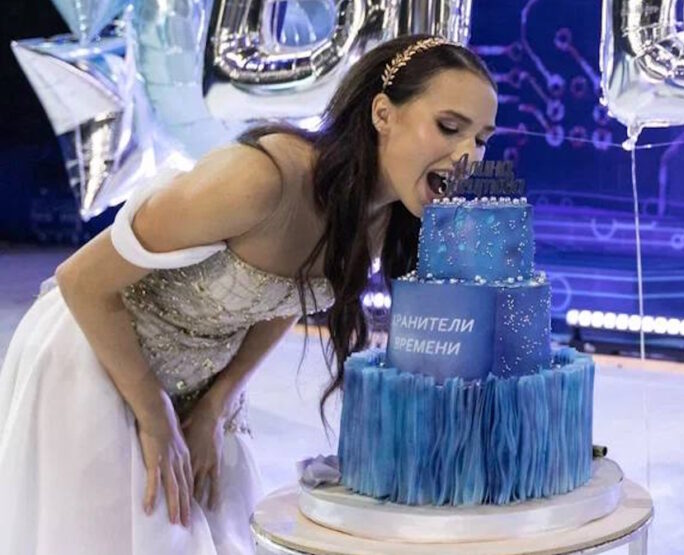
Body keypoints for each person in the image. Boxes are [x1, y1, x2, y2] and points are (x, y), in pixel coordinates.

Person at [0, 34, 497, 554]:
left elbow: (285, 297)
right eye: (449, 127)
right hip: (97, 358)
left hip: (198, 392)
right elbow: (81, 279)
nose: (468, 155)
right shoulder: (260, 179)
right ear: (382, 114)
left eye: (482, 139)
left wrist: (216, 405)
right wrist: (154, 416)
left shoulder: (381, 218)